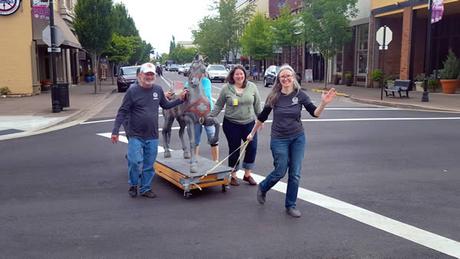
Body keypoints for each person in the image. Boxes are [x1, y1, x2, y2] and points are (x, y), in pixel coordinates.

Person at [247, 64, 336, 218]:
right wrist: (251, 133)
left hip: (297, 138)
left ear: (293, 77)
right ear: (279, 80)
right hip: (279, 138)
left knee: (295, 173)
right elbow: (262, 117)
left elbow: (315, 113)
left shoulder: (300, 95)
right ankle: (263, 186)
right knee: (280, 170)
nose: (286, 78)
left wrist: (323, 104)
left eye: (289, 76)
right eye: (283, 76)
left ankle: (291, 205)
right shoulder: (273, 96)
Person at [111, 62, 187, 198]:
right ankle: (134, 185)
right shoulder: (132, 91)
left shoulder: (157, 90)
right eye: (147, 74)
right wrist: (115, 131)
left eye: (152, 74)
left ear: (155, 76)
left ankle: (145, 188)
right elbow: (122, 111)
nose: (149, 76)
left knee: (149, 164)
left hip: (152, 135)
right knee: (134, 161)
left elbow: (166, 105)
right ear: (141, 75)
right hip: (135, 134)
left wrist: (180, 100)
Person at [210, 64, 261, 186]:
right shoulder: (226, 88)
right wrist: (211, 116)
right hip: (231, 124)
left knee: (252, 147)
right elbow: (219, 105)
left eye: (241, 74)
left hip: (249, 123)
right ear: (232, 75)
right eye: (237, 74)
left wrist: (260, 119)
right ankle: (233, 175)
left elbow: (257, 105)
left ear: (244, 75)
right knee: (234, 149)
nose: (239, 76)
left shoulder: (252, 87)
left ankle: (247, 174)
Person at [193, 73, 219, 162]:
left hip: (207, 113)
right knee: (195, 138)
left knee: (212, 137)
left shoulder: (206, 81)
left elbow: (205, 94)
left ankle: (215, 161)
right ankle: (194, 160)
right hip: (195, 114)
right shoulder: (189, 82)